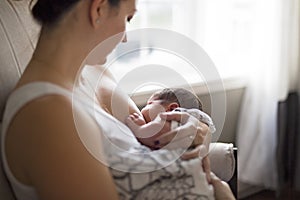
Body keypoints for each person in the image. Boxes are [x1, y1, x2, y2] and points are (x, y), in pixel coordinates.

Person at [0, 0, 235, 199]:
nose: (124, 38)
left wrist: (198, 131)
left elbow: (149, 139)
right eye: (128, 18)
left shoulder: (96, 74)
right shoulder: (47, 114)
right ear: (98, 9)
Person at [124, 88, 216, 150]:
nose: (142, 110)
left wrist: (138, 129)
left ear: (171, 109)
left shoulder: (173, 118)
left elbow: (156, 134)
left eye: (149, 104)